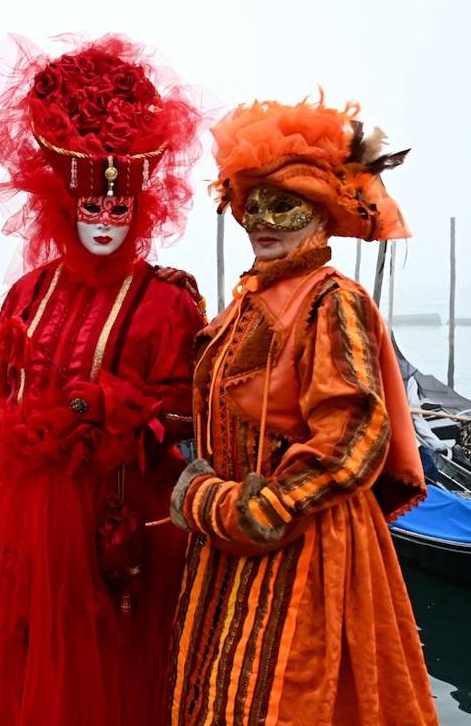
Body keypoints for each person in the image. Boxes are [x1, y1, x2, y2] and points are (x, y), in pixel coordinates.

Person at [0, 34, 206, 725]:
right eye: (91, 209)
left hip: (122, 529)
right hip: (24, 530)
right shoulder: (28, 295)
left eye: (118, 209)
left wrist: (119, 413)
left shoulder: (169, 300)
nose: (104, 222)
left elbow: (192, 414)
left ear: (140, 211)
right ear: (63, 207)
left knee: (118, 674)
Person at [167, 97, 438, 725]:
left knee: (290, 697)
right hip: (225, 550)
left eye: (283, 204)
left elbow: (354, 438)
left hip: (304, 546)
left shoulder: (330, 301)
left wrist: (259, 507)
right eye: (251, 205)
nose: (263, 220)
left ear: (321, 214)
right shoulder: (243, 306)